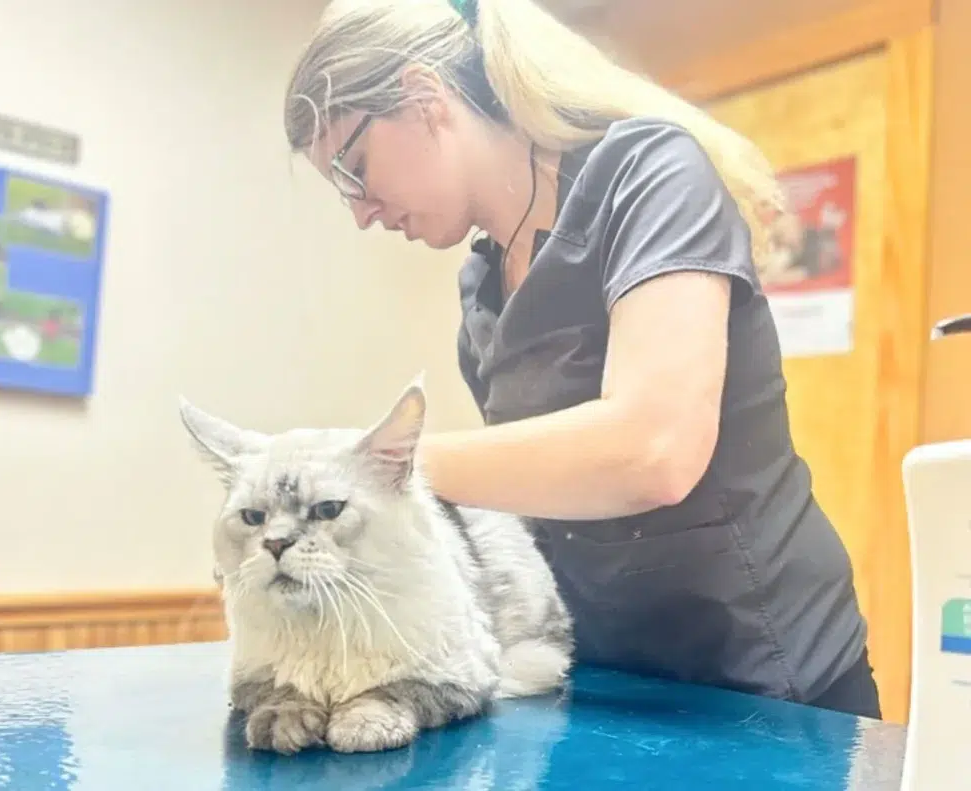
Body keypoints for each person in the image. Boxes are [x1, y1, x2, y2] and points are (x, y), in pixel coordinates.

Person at [282, 0, 882, 719]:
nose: (361, 212)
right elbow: (538, 494)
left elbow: (654, 449)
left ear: (423, 97)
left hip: (766, 677)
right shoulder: (482, 288)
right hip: (610, 678)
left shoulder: (649, 174)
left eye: (354, 169)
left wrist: (372, 472)